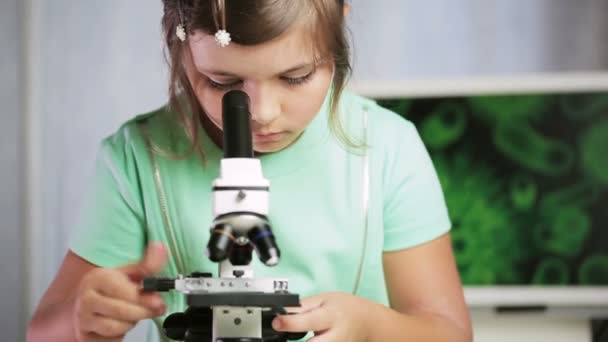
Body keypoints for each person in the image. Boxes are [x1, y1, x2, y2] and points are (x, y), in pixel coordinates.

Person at [27, 0, 472, 341]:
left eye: (295, 76)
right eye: (222, 83)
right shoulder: (139, 157)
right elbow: (42, 333)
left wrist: (369, 326)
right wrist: (84, 318)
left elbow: (449, 332)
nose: (261, 113)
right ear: (181, 52)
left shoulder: (388, 148)